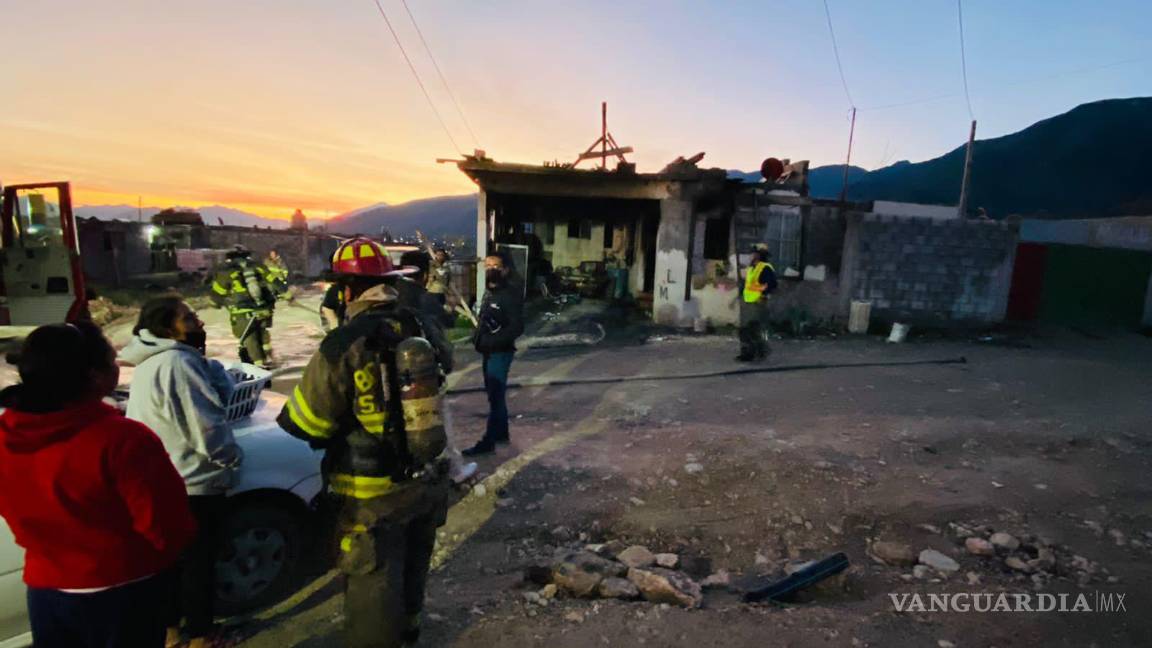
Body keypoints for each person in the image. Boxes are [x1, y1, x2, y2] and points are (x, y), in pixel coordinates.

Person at [276, 237, 451, 648]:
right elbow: (447, 366)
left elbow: (306, 424)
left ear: (347, 291)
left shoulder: (343, 344)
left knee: (373, 588)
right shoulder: (420, 326)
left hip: (370, 495)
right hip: (426, 479)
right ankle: (410, 632)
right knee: (413, 568)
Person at [0, 322, 196, 648]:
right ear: (94, 376)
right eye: (111, 359)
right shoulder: (122, 440)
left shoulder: (7, 435)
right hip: (123, 589)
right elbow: (166, 525)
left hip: (46, 591)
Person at [121, 296, 244, 648]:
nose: (198, 322)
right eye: (188, 318)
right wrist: (231, 460)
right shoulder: (178, 363)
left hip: (168, 478)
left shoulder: (158, 360)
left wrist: (206, 362)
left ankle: (172, 634)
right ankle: (202, 636)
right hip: (193, 482)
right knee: (198, 565)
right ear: (167, 328)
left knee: (173, 565)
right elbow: (205, 425)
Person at [463, 252, 525, 457]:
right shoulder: (490, 292)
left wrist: (492, 341)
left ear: (505, 270)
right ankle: (501, 434)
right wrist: (478, 338)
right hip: (488, 352)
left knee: (496, 397)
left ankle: (488, 442)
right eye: (487, 265)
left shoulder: (509, 294)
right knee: (494, 395)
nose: (490, 269)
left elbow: (517, 327)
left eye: (495, 266)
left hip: (500, 353)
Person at [210, 244, 277, 367]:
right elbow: (275, 282)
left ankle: (258, 365)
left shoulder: (226, 272)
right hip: (264, 309)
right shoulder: (259, 267)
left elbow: (218, 293)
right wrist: (288, 296)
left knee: (249, 337)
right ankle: (269, 357)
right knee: (262, 332)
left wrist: (215, 303)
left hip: (242, 312)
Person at [737, 245, 777, 362]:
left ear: (760, 255)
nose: (751, 255)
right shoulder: (752, 268)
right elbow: (747, 284)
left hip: (758, 302)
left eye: (754, 253)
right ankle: (757, 352)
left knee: (750, 329)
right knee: (749, 329)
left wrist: (761, 291)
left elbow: (771, 285)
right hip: (748, 302)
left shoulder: (765, 268)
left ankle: (753, 352)